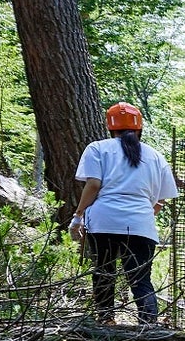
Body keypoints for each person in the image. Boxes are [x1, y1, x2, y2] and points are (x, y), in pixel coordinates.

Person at [70, 103, 179, 325]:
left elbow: (93, 184)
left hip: (103, 222)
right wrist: (145, 214)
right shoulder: (155, 156)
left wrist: (78, 216)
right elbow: (162, 198)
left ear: (110, 127)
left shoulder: (97, 148)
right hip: (141, 224)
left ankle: (106, 321)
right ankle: (149, 326)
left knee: (103, 272)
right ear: (139, 128)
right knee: (140, 279)